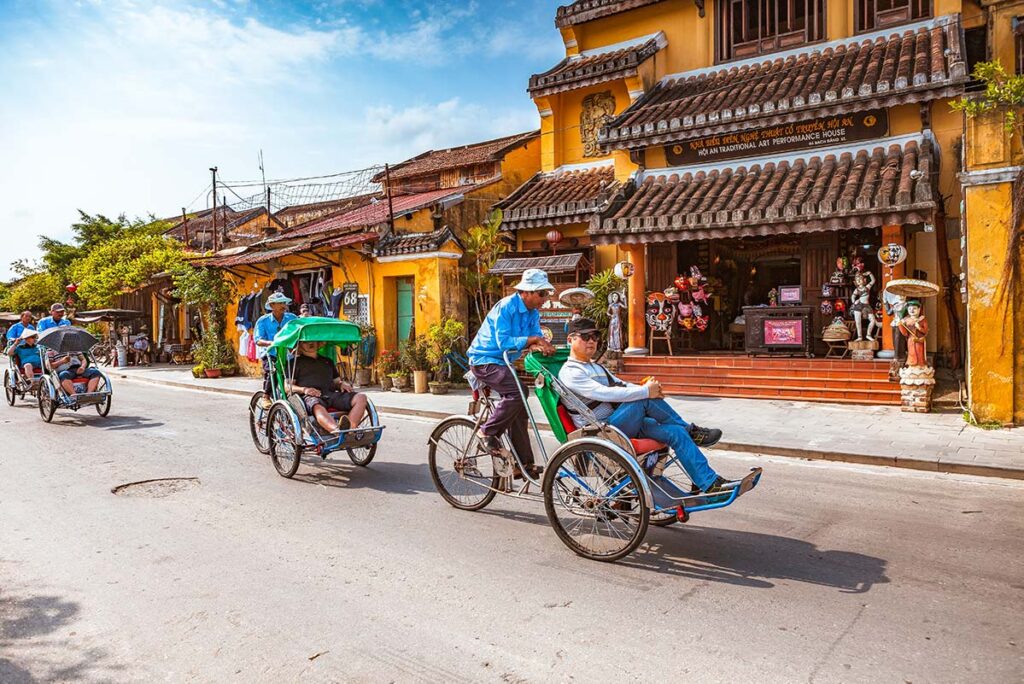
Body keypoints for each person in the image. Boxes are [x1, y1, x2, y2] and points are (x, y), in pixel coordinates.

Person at [557, 317, 748, 494]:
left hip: (619, 423)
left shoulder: (596, 366)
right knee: (643, 398)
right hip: (600, 431)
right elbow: (604, 393)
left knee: (675, 432)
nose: (592, 341)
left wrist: (649, 388)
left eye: (596, 336)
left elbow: (621, 385)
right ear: (570, 340)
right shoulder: (570, 372)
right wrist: (646, 392)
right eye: (586, 337)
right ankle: (692, 430)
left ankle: (709, 483)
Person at [467, 268, 556, 479]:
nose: (545, 298)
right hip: (484, 360)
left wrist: (540, 345)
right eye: (542, 293)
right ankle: (487, 432)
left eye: (546, 293)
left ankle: (522, 463)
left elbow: (534, 336)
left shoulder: (533, 313)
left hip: (503, 362)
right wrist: (533, 341)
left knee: (520, 407)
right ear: (526, 292)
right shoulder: (506, 307)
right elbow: (504, 343)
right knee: (518, 392)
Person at [288, 340, 368, 435]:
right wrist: (304, 390)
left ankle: (349, 429)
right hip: (310, 397)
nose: (311, 343)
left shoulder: (327, 361)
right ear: (300, 345)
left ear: (319, 343)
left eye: (313, 340)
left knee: (361, 397)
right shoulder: (294, 363)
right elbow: (287, 387)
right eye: (306, 342)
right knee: (317, 406)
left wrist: (342, 384)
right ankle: (337, 431)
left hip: (330, 394)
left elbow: (337, 382)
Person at [254, 292, 298, 407]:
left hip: (289, 354)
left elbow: (298, 334)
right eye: (280, 303)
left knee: (298, 371)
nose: (283, 305)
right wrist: (272, 343)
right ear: (272, 305)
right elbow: (258, 340)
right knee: (273, 370)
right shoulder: (263, 321)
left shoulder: (292, 318)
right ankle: (266, 396)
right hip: (271, 354)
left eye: (284, 303)